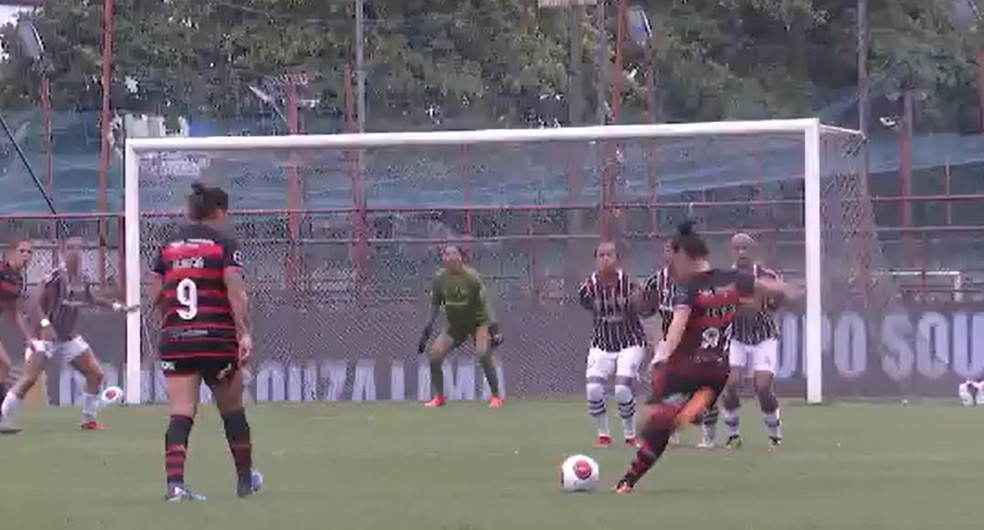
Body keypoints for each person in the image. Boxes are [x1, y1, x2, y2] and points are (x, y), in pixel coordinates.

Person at [613, 221, 800, 493]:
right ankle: (694, 410)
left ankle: (632, 476)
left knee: (655, 426)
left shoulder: (688, 288)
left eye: (673, 258)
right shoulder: (731, 279)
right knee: (659, 423)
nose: (671, 266)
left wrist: (660, 356)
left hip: (684, 369)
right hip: (716, 371)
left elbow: (676, 329)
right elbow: (765, 286)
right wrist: (790, 290)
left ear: (683, 256)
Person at [149, 182, 261, 501]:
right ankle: (244, 480)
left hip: (177, 339)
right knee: (232, 411)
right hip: (216, 339)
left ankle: (175, 486)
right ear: (220, 212)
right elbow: (234, 290)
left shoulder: (168, 246)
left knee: (181, 411)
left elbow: (156, 294)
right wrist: (244, 332)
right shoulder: (225, 243)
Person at [0, 236, 133, 432]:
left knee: (95, 374)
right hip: (45, 339)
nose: (74, 251)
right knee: (27, 380)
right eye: (70, 247)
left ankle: (88, 420)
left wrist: (116, 305)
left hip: (67, 338)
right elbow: (35, 303)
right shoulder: (55, 276)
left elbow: (91, 299)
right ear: (63, 250)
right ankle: (3, 416)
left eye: (79, 247)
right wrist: (43, 325)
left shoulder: (83, 278)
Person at [710, 232, 785, 449]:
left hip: (764, 337)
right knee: (731, 384)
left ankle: (774, 433)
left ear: (754, 251)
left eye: (745, 248)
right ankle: (733, 434)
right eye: (737, 248)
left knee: (762, 387)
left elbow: (774, 304)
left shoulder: (767, 276)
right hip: (737, 337)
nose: (741, 252)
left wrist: (755, 303)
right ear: (731, 251)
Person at [578, 241, 646, 447]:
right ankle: (603, 435)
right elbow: (587, 304)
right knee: (593, 390)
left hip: (630, 342)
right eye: (601, 255)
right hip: (602, 344)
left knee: (622, 390)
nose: (606, 259)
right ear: (595, 259)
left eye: (610, 255)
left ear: (616, 259)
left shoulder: (629, 284)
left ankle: (630, 436)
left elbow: (643, 308)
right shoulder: (588, 288)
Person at [418, 244, 503, 408]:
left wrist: (494, 330)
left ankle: (495, 397)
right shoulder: (439, 279)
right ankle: (439, 398)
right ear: (443, 259)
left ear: (460, 258)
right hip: (455, 326)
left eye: (454, 254)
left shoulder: (471, 277)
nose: (450, 258)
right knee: (435, 356)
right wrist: (426, 330)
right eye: (447, 255)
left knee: (483, 353)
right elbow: (435, 305)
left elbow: (485, 304)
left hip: (478, 323)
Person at [0, 238, 41, 432]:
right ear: (10, 253)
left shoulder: (18, 280)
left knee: (4, 366)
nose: (26, 255)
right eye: (22, 251)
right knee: (5, 365)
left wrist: (29, 338)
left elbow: (16, 313)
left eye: (29, 252)